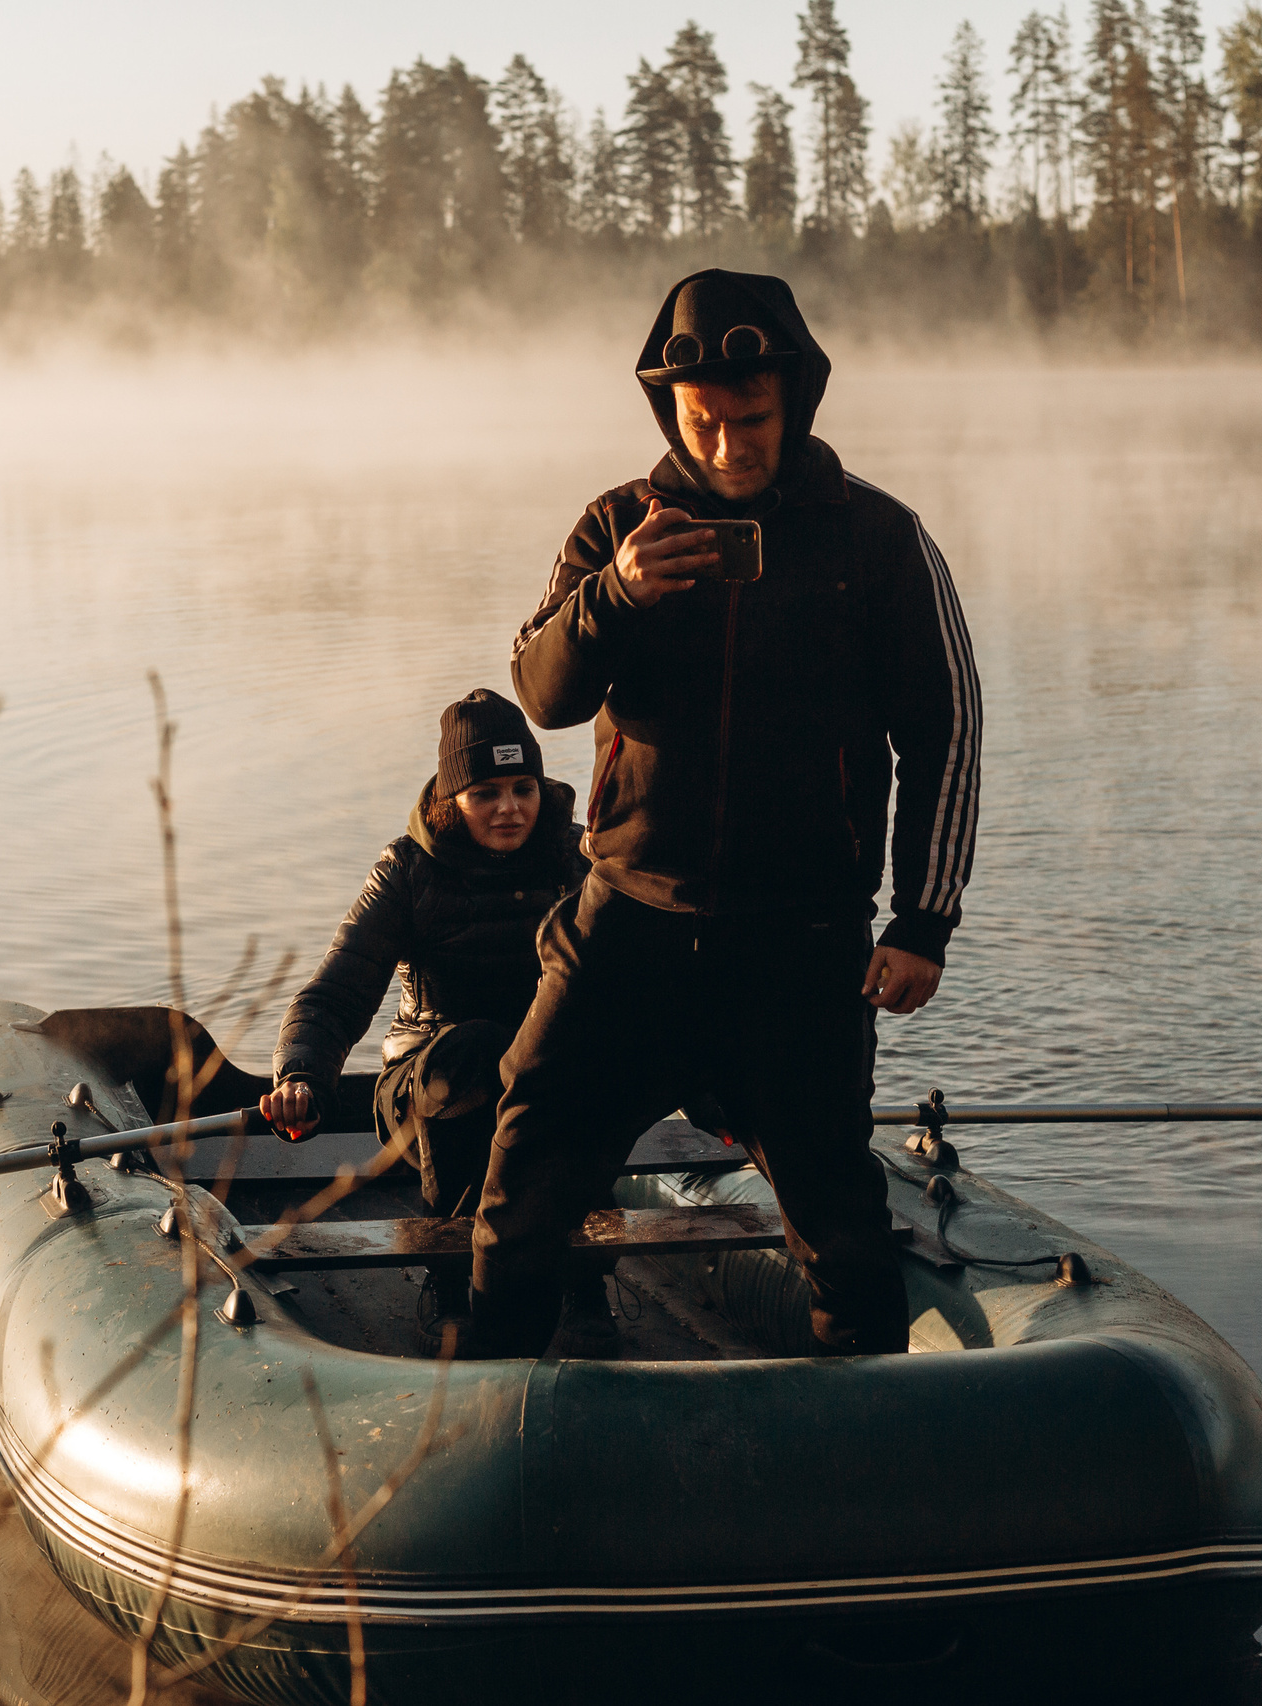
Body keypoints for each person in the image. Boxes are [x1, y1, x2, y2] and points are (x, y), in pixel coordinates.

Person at [466, 268, 983, 1359]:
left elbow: (946, 728)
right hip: (625, 923)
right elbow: (541, 695)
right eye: (704, 421)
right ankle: (485, 1400)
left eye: (750, 419)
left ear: (794, 400)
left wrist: (921, 921)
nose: (729, 444)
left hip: (801, 938)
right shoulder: (614, 524)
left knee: (839, 1220)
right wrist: (616, 593)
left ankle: (872, 1447)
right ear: (670, 409)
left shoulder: (878, 541)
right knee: (522, 1175)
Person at [262, 690, 602, 1341]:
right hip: (430, 1084)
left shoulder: (578, 858)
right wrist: (300, 1076)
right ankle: (449, 1280)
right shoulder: (407, 869)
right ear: (452, 800)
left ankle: (589, 1287)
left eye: (522, 787)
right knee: (474, 1049)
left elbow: (650, 978)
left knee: (582, 1055)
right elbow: (333, 996)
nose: (509, 808)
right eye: (486, 793)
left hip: (542, 1072)